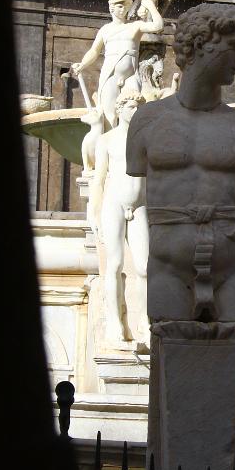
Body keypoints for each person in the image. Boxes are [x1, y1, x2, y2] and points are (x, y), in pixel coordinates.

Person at [126, 3, 235, 324]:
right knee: (171, 345)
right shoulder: (146, 122)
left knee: (230, 347)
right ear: (201, 43)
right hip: (168, 264)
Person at [89, 89, 150, 346]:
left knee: (144, 267)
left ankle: (145, 321)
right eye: (131, 107)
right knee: (114, 265)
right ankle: (114, 323)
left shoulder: (147, 140)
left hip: (140, 205)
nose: (135, 111)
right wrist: (93, 212)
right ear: (120, 108)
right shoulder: (106, 140)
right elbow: (98, 179)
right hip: (113, 204)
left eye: (138, 107)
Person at [70, 0, 163, 130]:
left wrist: (149, 5)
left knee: (132, 111)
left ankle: (128, 142)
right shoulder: (105, 30)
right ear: (112, 8)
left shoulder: (135, 26)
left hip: (131, 75)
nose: (123, 8)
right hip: (111, 74)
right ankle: (108, 141)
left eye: (126, 6)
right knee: (109, 116)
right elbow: (94, 51)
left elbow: (158, 26)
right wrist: (82, 64)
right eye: (120, 6)